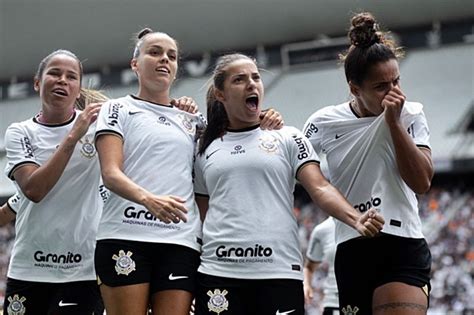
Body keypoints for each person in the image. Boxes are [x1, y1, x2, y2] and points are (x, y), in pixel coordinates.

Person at [94, 29, 282, 315]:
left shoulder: (194, 121)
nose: (164, 60)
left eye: (172, 56)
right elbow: (110, 173)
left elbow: (236, 142)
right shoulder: (116, 109)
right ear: (135, 64)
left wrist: (266, 120)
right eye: (154, 52)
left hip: (179, 242)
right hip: (125, 234)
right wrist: (149, 200)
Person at [193, 53, 384, 315]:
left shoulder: (288, 137)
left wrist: (355, 218)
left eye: (256, 77)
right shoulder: (205, 148)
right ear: (221, 94)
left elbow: (320, 187)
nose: (251, 84)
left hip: (278, 272)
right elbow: (203, 215)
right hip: (218, 273)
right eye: (239, 80)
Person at [303, 12, 434, 315]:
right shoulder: (323, 122)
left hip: (403, 243)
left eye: (396, 81)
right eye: (381, 86)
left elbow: (422, 182)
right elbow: (297, 170)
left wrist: (394, 123)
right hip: (352, 245)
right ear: (354, 89)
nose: (394, 92)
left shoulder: (411, 114)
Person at [3, 49, 106, 315]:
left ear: (78, 89)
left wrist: (180, 107)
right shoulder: (20, 132)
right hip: (28, 269)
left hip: (80, 272)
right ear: (38, 83)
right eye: (54, 73)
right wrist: (73, 137)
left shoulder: (99, 130)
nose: (63, 80)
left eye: (71, 77)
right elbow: (34, 190)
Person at [303, 217, 339, 315]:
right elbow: (309, 267)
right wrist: (307, 285)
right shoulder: (322, 230)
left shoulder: (367, 219)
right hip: (333, 303)